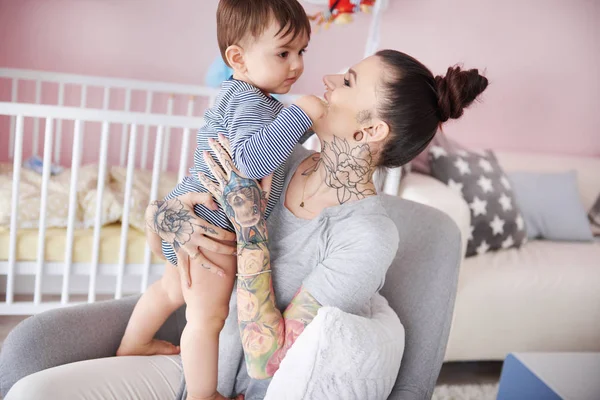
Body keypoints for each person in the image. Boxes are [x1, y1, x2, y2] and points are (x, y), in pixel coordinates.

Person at [0, 50, 488, 400]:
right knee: (33, 390)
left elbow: (266, 360)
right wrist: (176, 214)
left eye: (348, 81)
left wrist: (251, 225)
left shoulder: (368, 235)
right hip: (193, 358)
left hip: (237, 386)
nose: (328, 78)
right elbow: (158, 239)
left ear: (370, 130)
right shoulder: (276, 155)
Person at [115, 1, 325, 399]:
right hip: (212, 225)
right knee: (207, 317)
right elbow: (248, 160)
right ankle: (201, 394)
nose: (296, 65)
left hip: (187, 212)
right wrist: (303, 115)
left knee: (170, 291)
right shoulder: (251, 101)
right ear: (238, 58)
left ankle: (134, 343)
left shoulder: (237, 94)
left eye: (301, 52)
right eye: (283, 53)